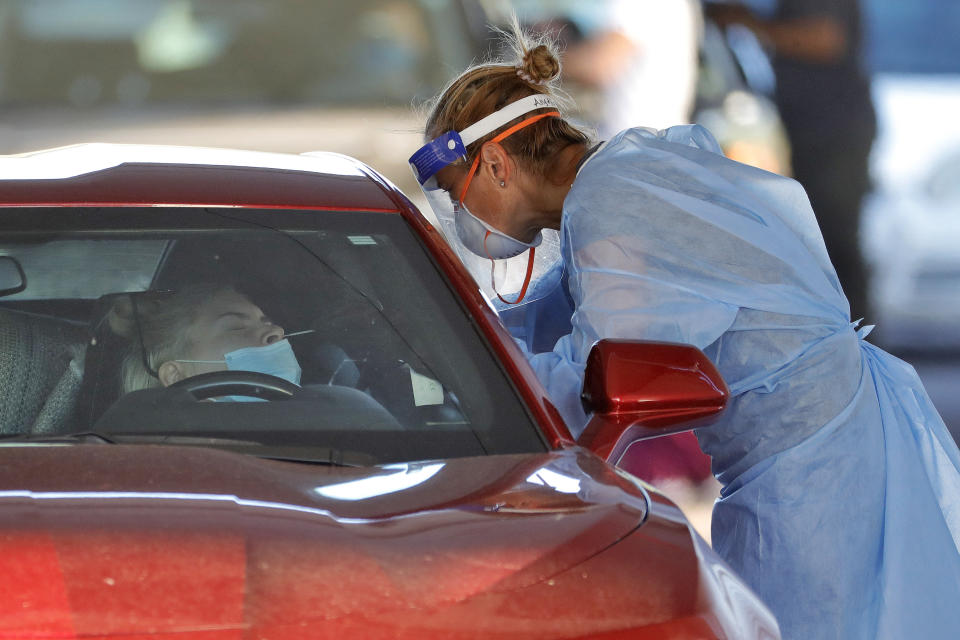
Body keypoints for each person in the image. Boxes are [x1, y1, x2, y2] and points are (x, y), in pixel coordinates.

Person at [409, 24, 960, 639]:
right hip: (814, 454)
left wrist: (451, 373)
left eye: (457, 195)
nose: (461, 218)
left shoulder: (612, 199)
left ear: (495, 164)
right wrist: (431, 331)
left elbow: (593, 378)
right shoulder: (616, 179)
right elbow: (536, 316)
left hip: (814, 472)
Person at [705, 0, 877, 323]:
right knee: (819, 253)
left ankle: (855, 354)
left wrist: (752, 25)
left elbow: (826, 37)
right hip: (813, 130)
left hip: (832, 133)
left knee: (832, 254)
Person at [109, 284, 301, 395]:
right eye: (236, 328)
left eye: (266, 323)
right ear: (176, 376)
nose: (277, 330)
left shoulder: (321, 422)